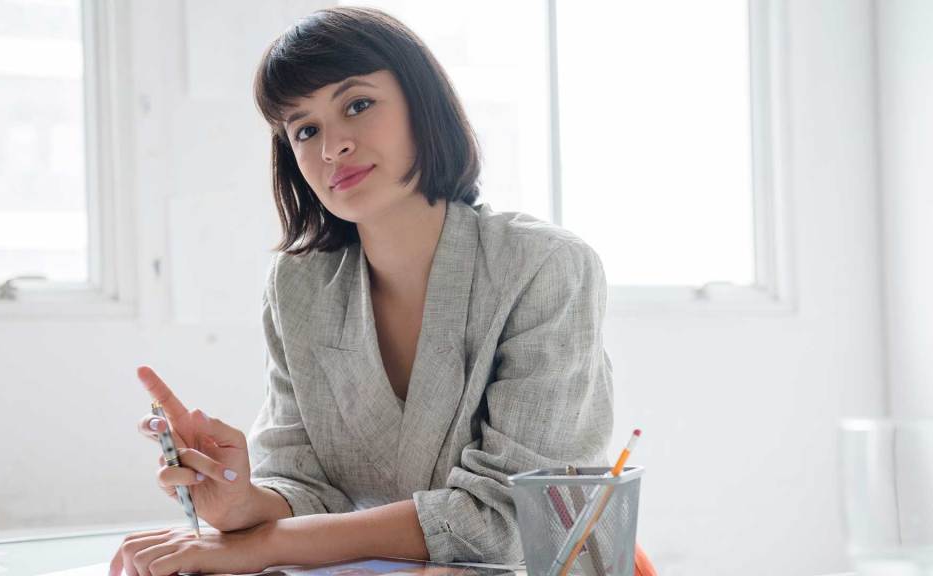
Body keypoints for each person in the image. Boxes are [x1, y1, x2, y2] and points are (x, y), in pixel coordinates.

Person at [109, 6, 613, 576]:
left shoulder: (546, 267)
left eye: (358, 105)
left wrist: (267, 543)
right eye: (305, 129)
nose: (332, 147)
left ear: (424, 107)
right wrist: (242, 503)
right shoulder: (298, 286)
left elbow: (511, 520)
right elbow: (306, 486)